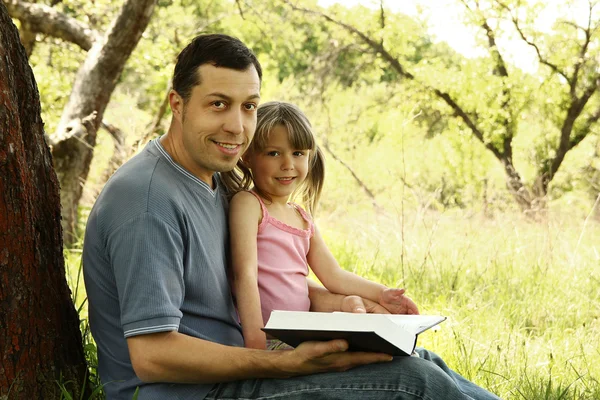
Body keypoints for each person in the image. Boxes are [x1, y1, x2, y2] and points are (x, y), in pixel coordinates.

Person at [83, 33, 501, 400]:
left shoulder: (219, 181)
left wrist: (346, 311)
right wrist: (282, 364)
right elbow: (154, 357)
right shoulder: (147, 199)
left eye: (248, 106)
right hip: (192, 392)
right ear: (177, 103)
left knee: (420, 359)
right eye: (218, 105)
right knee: (415, 383)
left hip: (250, 358)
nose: (236, 126)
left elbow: (268, 278)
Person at [223, 101, 419, 350]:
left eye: (298, 154)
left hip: (300, 335)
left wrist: (381, 294)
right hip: (265, 339)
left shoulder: (302, 218)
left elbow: (334, 275)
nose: (288, 164)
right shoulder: (249, 205)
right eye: (274, 153)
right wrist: (255, 344)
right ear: (248, 156)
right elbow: (245, 275)